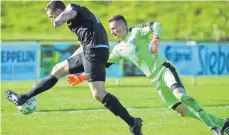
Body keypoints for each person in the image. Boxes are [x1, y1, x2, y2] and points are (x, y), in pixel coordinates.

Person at [66, 15, 229, 135]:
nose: (113, 32)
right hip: (155, 81)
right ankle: (223, 123)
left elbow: (156, 24)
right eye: (111, 30)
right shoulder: (118, 49)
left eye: (115, 28)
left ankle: (214, 128)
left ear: (123, 25)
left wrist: (156, 37)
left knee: (181, 96)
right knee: (182, 111)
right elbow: (102, 66)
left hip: (165, 70)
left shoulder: (136, 32)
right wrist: (82, 77)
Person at [5, 2, 143, 135]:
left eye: (51, 16)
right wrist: (69, 62)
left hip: (95, 51)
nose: (52, 19)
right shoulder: (75, 23)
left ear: (59, 11)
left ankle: (132, 122)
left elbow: (69, 12)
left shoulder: (72, 8)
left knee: (98, 93)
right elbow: (82, 45)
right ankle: (23, 97)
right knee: (58, 69)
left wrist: (58, 20)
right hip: (88, 51)